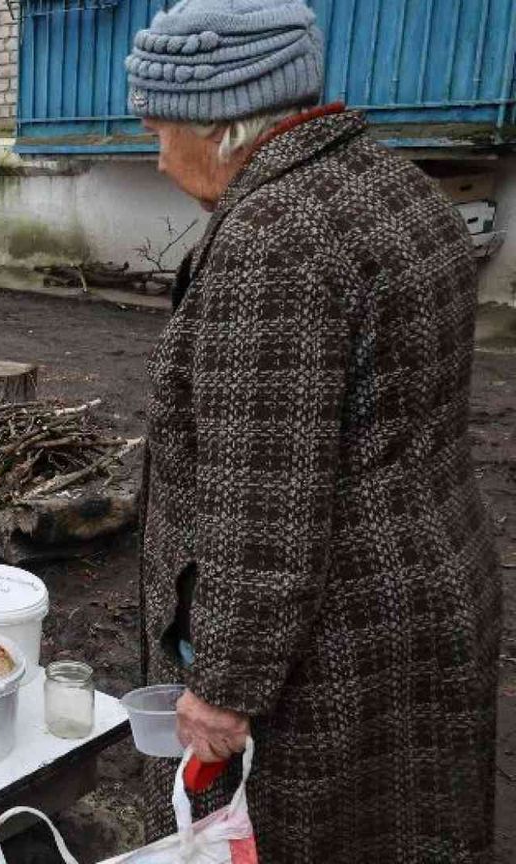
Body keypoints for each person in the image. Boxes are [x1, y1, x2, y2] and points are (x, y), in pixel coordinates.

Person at [128, 0, 500, 860]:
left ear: (219, 126)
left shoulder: (273, 241)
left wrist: (224, 685)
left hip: (332, 646)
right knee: (407, 831)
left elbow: (265, 502)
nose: (156, 157)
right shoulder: (392, 181)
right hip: (430, 592)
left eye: (159, 131)